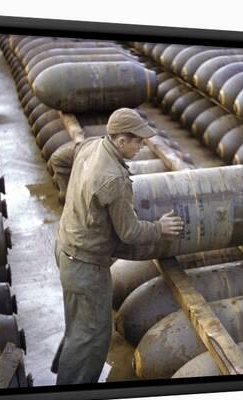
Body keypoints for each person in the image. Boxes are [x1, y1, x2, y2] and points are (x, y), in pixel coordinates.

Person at [51, 108, 184, 384]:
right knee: (93, 337)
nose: (142, 146)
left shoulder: (90, 145)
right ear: (121, 140)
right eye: (138, 141)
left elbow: (58, 160)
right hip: (86, 266)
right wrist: (160, 228)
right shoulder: (114, 178)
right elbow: (129, 232)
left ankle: (63, 373)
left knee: (78, 324)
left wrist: (69, 198)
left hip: (65, 247)